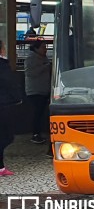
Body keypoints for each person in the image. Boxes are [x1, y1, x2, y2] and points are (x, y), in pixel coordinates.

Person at [0, 40, 22, 176]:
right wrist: (18, 97)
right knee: (6, 136)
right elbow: (9, 83)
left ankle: (1, 167)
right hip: (4, 104)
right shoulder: (3, 65)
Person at [24, 40, 51, 144]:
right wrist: (45, 66)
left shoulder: (44, 58)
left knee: (40, 113)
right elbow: (30, 73)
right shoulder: (31, 58)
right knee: (37, 114)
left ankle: (39, 133)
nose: (45, 49)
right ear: (36, 48)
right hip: (35, 91)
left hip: (43, 90)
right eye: (43, 47)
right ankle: (35, 134)